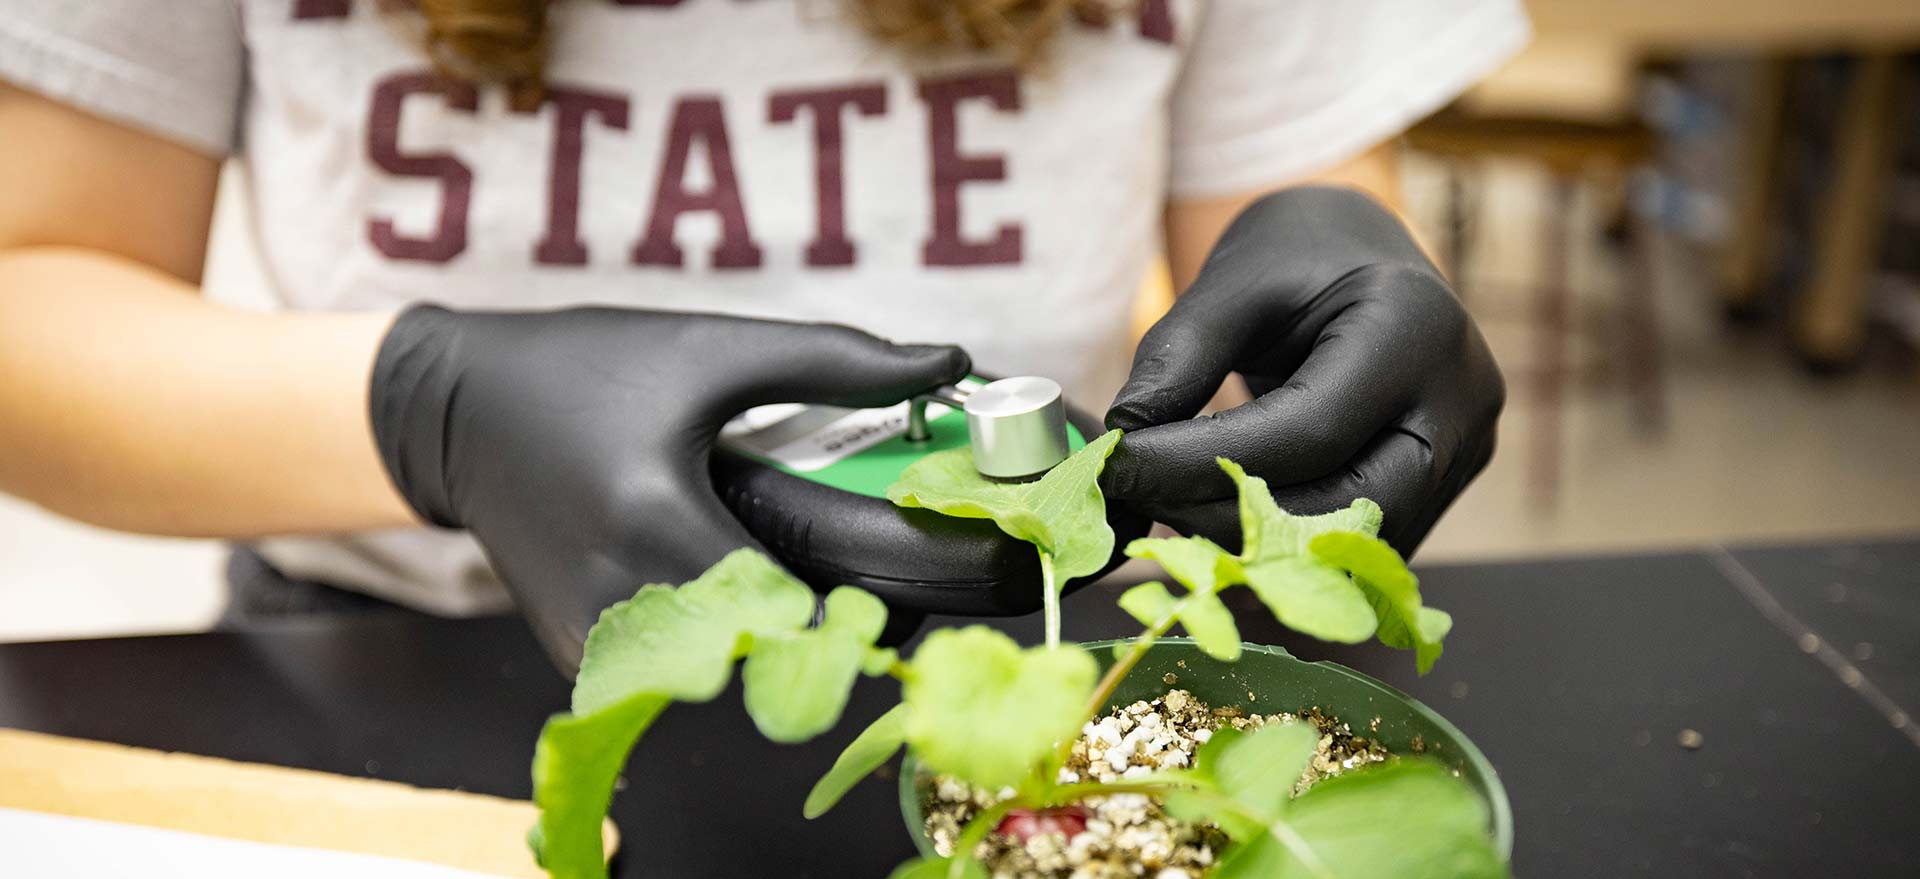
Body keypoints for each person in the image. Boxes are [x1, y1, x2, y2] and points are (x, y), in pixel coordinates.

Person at [0, 0, 1519, 671]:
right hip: (405, 657)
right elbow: (37, 299)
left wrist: (1348, 285)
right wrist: (429, 411)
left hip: (1021, 657)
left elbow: (1291, 203)